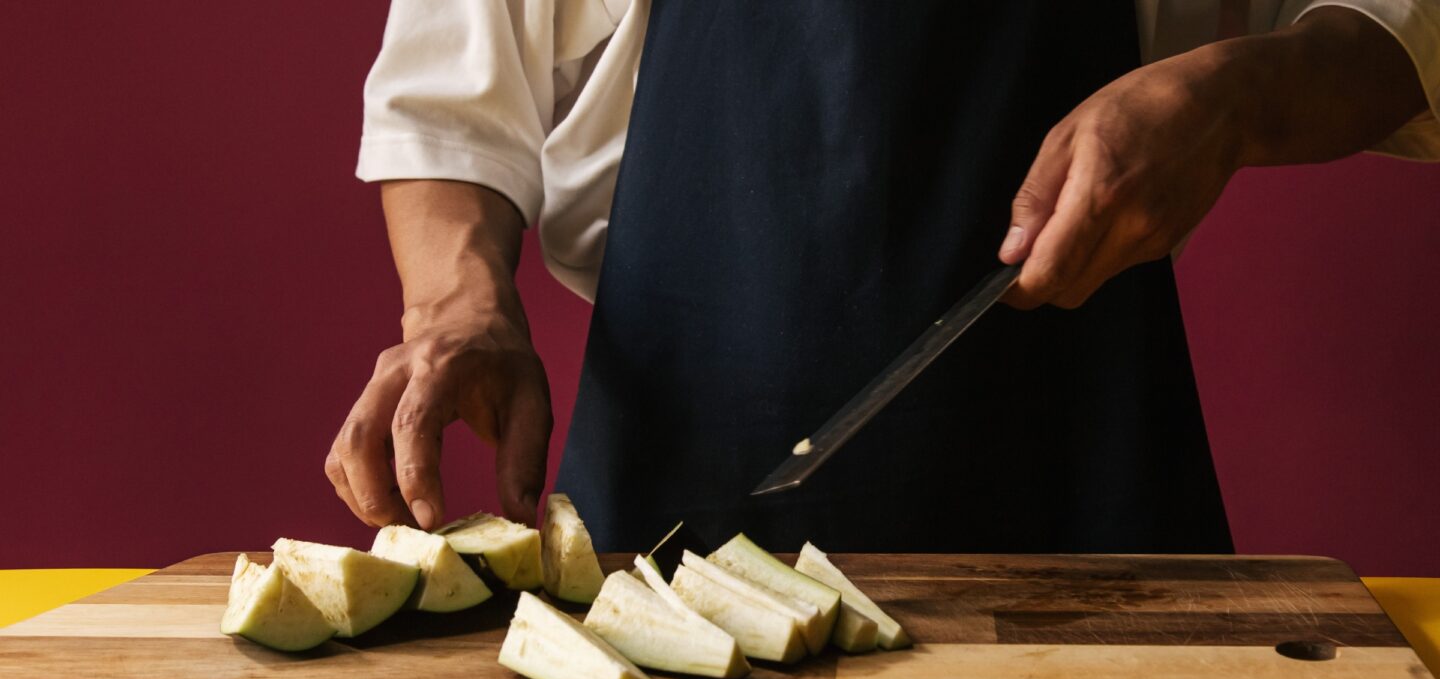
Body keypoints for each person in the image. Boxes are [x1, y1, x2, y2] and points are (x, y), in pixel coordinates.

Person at [329, 1, 1437, 553]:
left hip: (1083, 503)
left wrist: (1241, 89)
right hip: (677, 520)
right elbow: (449, 97)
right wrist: (459, 299)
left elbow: (1407, 22)